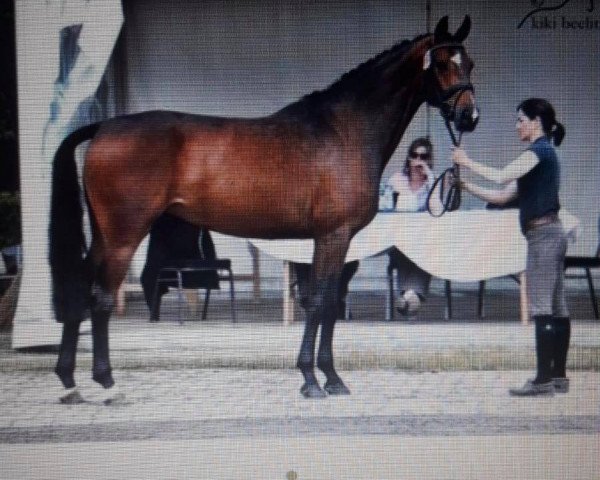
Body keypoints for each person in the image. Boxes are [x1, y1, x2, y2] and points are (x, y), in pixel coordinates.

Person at [452, 98, 569, 396]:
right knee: (556, 307)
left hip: (543, 235)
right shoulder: (541, 157)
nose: (517, 126)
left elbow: (503, 175)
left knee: (543, 308)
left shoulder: (538, 151)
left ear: (535, 122)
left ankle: (543, 380)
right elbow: (502, 196)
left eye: (520, 120)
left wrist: (466, 161)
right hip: (549, 234)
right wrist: (465, 185)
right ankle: (557, 376)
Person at [386, 137, 435, 317]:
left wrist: (430, 178)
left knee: (427, 249)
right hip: (399, 238)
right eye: (414, 156)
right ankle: (412, 295)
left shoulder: (434, 183)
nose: (418, 160)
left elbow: (439, 208)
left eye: (423, 156)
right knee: (404, 247)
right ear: (408, 158)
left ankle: (406, 296)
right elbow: (386, 206)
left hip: (424, 239)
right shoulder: (396, 180)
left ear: (429, 159)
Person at [141, 213, 220, 321]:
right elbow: (206, 244)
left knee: (149, 275)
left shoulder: (162, 219)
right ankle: (193, 312)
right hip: (195, 264)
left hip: (171, 264)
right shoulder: (195, 215)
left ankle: (154, 315)